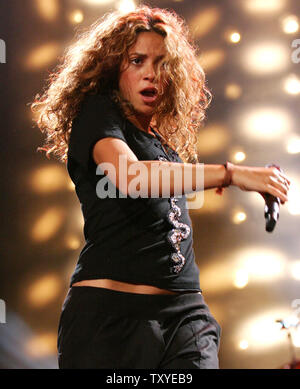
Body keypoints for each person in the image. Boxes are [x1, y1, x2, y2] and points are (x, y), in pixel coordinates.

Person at [31, 5, 290, 369]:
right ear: (112, 68)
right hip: (111, 321)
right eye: (137, 61)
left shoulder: (162, 143)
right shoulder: (98, 114)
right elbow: (132, 177)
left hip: (187, 316)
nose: (151, 73)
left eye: (162, 63)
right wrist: (231, 174)